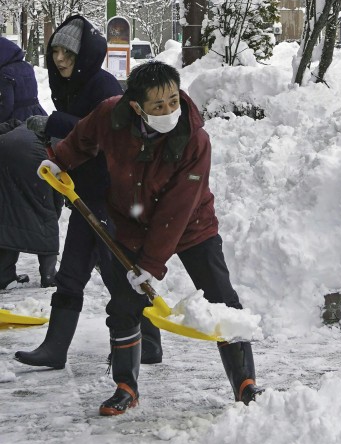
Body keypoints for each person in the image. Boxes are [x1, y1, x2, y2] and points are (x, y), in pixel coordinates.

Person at [40, 61, 259, 416]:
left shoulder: (194, 138)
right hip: (131, 223)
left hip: (191, 225)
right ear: (135, 106)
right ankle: (126, 385)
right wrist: (59, 160)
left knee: (222, 299)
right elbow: (83, 138)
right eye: (158, 106)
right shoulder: (111, 116)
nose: (169, 110)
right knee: (124, 304)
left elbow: (177, 208)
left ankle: (245, 383)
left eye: (174, 100)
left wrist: (151, 265)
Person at [16, 15, 164, 369]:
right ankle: (55, 349)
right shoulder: (70, 86)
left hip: (112, 198)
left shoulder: (104, 86)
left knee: (118, 273)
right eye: (55, 52)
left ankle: (149, 341)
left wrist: (54, 124)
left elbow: (107, 136)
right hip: (86, 195)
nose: (60, 60)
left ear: (82, 54)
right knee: (72, 273)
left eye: (68, 52)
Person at [0, 35, 58, 289]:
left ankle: (5, 274)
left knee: (10, 207)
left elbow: (5, 106)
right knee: (44, 205)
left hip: (14, 132)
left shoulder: (4, 74)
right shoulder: (24, 67)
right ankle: (47, 273)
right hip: (36, 123)